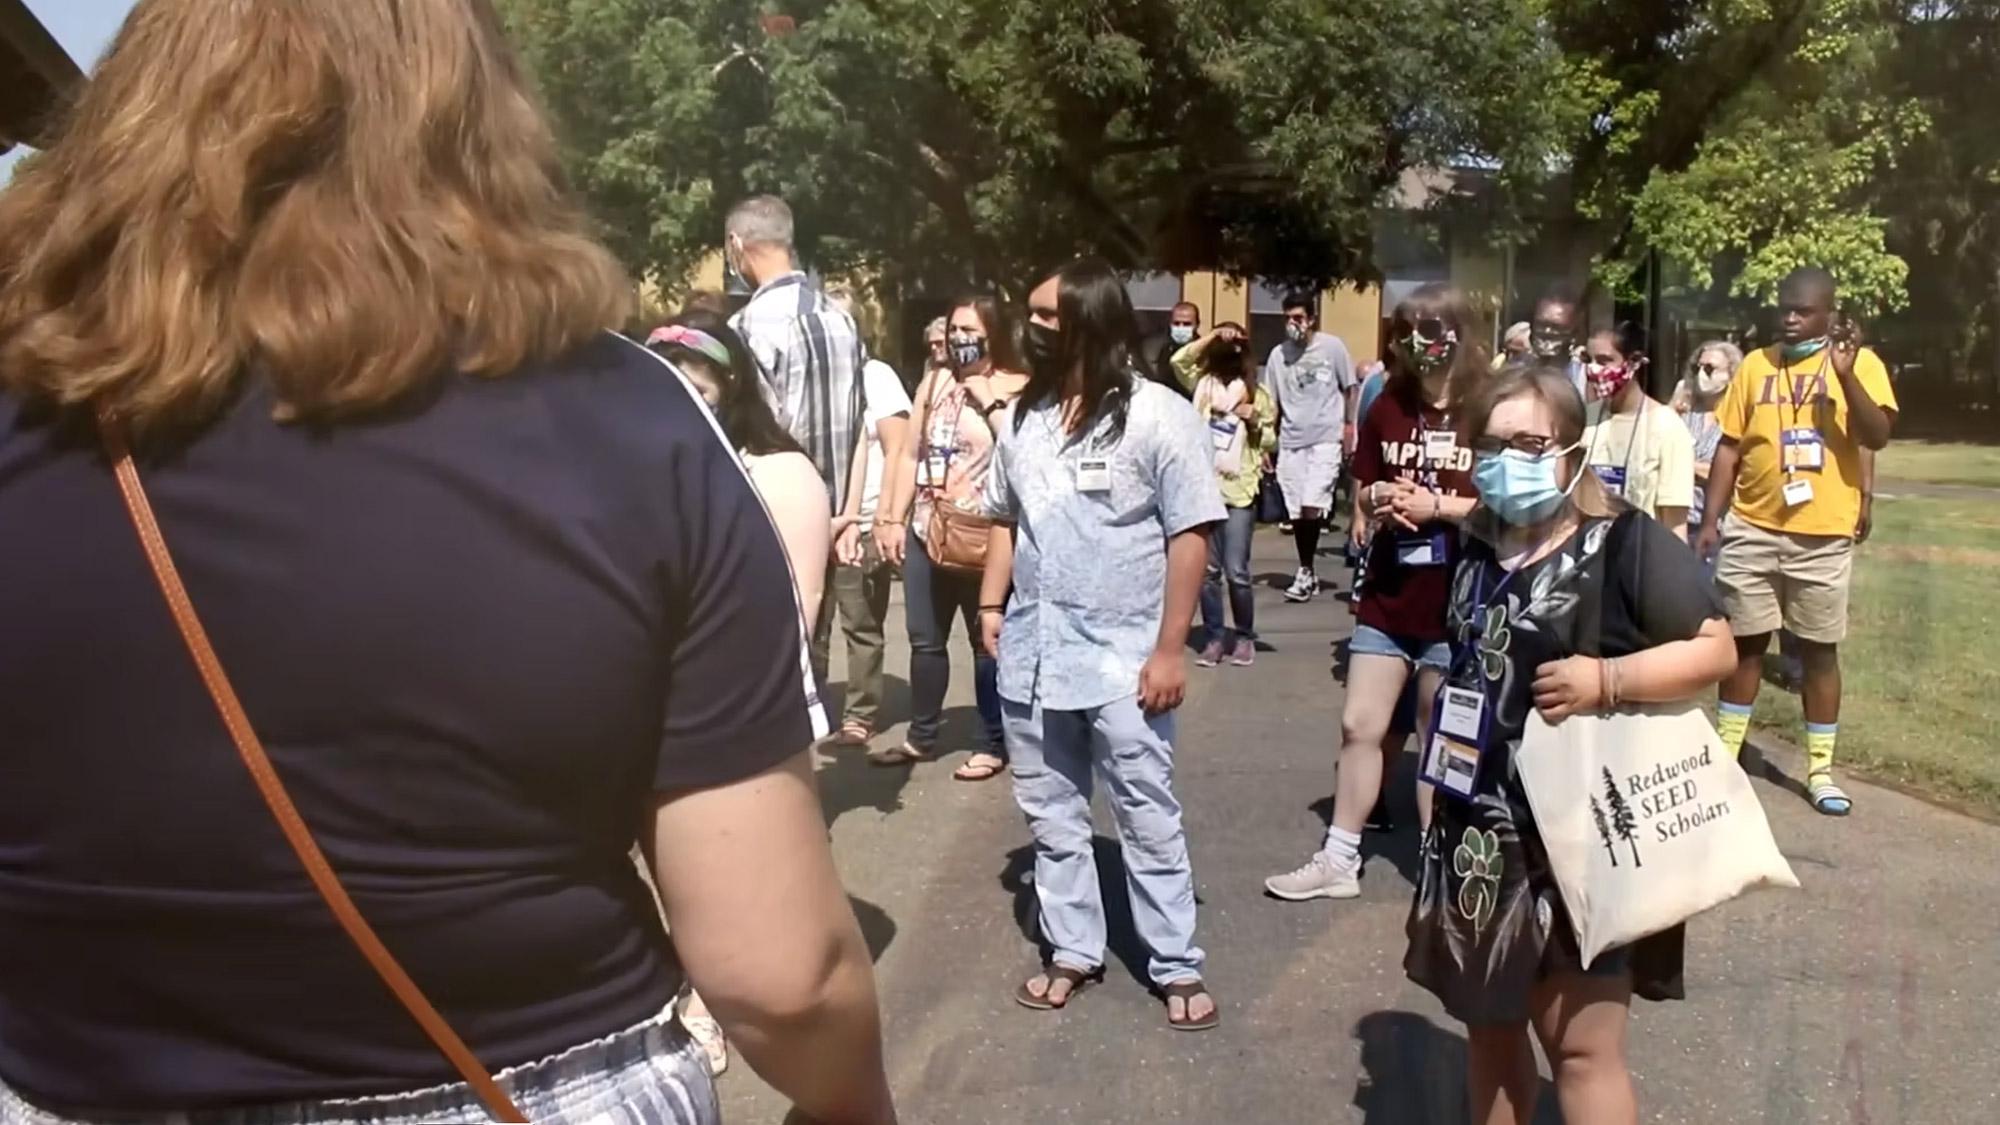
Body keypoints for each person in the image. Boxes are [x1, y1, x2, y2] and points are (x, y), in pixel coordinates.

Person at [0, 3, 894, 1124]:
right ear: (477, 121)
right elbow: (781, 975)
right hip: (533, 1075)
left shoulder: (26, 421)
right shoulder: (621, 422)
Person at [1406, 364, 1737, 1125]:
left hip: (1578, 838)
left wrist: (1607, 678)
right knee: (1489, 1035)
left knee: (1580, 1050)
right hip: (1476, 840)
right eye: (1489, 445)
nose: (1506, 461)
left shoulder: (1625, 542)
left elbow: (1718, 648)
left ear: (1570, 449)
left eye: (1529, 442)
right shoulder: (1480, 547)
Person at [979, 257, 1223, 1030]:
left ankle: (1175, 962)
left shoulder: (1158, 415)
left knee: (1146, 814)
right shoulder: (1023, 418)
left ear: (1095, 317)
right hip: (1034, 655)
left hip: (1125, 659)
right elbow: (1005, 518)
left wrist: (1171, 649)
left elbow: (1191, 533)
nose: (1035, 328)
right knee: (1052, 818)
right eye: (1032, 315)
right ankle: (1072, 949)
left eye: (1051, 316)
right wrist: (992, 603)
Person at [1266, 283, 1485, 902]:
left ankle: (1437, 864)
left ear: (1461, 334)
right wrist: (1379, 498)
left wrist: (1438, 504)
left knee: (1437, 737)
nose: (1420, 342)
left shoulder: (1488, 410)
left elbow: (1507, 508)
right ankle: (1340, 857)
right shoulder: (1388, 402)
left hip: (1456, 602)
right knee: (1360, 723)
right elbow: (1362, 488)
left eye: (1433, 329)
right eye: (1409, 329)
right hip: (1389, 595)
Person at [1695, 267, 1897, 817]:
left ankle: (1821, 770)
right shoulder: (1757, 365)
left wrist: (1846, 375)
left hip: (1822, 534)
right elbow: (1729, 448)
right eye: (1785, 307)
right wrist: (1712, 519)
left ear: (1829, 314)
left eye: (1803, 310)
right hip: (1754, 527)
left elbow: (1876, 434)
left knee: (1818, 651)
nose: (1790, 317)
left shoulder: (1862, 364)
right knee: (1746, 645)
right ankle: (1726, 755)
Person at [872, 294, 1027, 780]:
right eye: (954, 329)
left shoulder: (1017, 384)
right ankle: (922, 735)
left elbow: (1021, 448)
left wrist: (986, 395)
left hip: (986, 530)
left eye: (969, 331)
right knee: (924, 640)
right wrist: (890, 518)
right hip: (927, 525)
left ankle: (991, 741)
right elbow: (907, 455)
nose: (958, 339)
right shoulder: (936, 379)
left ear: (994, 335)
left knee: (985, 641)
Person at [724, 195, 868, 680]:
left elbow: (754, 432)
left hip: (771, 516)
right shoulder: (842, 319)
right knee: (814, 645)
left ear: (736, 245)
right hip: (833, 517)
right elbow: (858, 421)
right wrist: (845, 513)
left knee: (771, 660)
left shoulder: (746, 326)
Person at [651, 313, 835, 626]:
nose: (677, 408)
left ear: (730, 384)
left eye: (696, 392)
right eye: (663, 393)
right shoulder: (654, 470)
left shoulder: (782, 474)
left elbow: (800, 604)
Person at [819, 294, 914, 749]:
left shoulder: (875, 377)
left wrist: (884, 517)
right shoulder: (816, 379)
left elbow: (899, 449)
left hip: (862, 523)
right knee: (811, 625)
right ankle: (812, 712)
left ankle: (861, 714)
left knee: (859, 622)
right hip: (814, 519)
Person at [1172, 322, 1276, 666]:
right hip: (1204, 488)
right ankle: (1215, 637)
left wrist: (1255, 419)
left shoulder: (1256, 393)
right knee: (1207, 572)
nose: (1228, 351)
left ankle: (1244, 636)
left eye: (1235, 347)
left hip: (1239, 490)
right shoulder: (1202, 386)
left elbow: (1273, 441)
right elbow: (1179, 362)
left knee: (1237, 571)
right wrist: (1213, 336)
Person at [1267, 291, 1359, 602]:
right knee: (1296, 512)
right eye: (1288, 318)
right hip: (1291, 441)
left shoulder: (1332, 347)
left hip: (1325, 438)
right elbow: (1272, 402)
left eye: (1298, 317)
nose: (1293, 324)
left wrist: (1350, 427)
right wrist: (1267, 442)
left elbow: (1350, 388)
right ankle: (1307, 569)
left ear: (1311, 318)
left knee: (1311, 504)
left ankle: (1304, 572)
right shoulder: (1278, 355)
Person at [1581, 322, 1695, 538]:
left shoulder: (1667, 427)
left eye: (1604, 361)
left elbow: (1675, 523)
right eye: (1588, 360)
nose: (1593, 370)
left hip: (1639, 552)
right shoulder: (1584, 419)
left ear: (1633, 362)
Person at [1672, 340, 1743, 549]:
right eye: (1698, 367)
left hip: (1718, 526)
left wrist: (1684, 464)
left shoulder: (1736, 418)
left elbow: (1731, 473)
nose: (1702, 374)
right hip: (1678, 521)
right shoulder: (1684, 411)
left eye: (1710, 368)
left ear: (1731, 373)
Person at [1523, 289, 1586, 393]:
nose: (1547, 332)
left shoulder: (1584, 380)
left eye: (1556, 327)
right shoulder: (1514, 373)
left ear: (1574, 332)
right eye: (1541, 324)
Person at [1145, 300, 1202, 399]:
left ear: (1197, 325)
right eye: (1176, 323)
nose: (1181, 327)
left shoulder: (1203, 351)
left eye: (1187, 324)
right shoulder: (1164, 350)